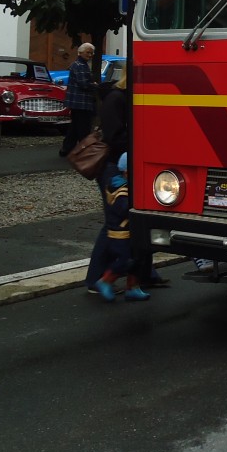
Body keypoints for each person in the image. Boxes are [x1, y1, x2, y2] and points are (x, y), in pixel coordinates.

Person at [85, 65, 167, 292]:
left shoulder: (129, 98)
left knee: (137, 219)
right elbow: (115, 137)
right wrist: (144, 137)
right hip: (114, 167)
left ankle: (143, 274)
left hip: (130, 164)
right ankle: (95, 279)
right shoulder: (115, 99)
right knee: (114, 222)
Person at [93, 152, 150, 302]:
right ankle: (105, 280)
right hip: (120, 233)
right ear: (126, 172)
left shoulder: (124, 186)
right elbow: (124, 210)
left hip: (131, 231)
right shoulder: (121, 190)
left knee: (139, 258)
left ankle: (133, 286)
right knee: (125, 260)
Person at [60, 42, 96, 156]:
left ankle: (66, 150)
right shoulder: (80, 65)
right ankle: (83, 151)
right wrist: (94, 85)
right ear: (80, 53)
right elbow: (84, 84)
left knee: (74, 128)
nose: (90, 55)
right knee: (83, 128)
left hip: (77, 102)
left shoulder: (80, 64)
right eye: (87, 52)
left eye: (91, 53)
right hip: (81, 102)